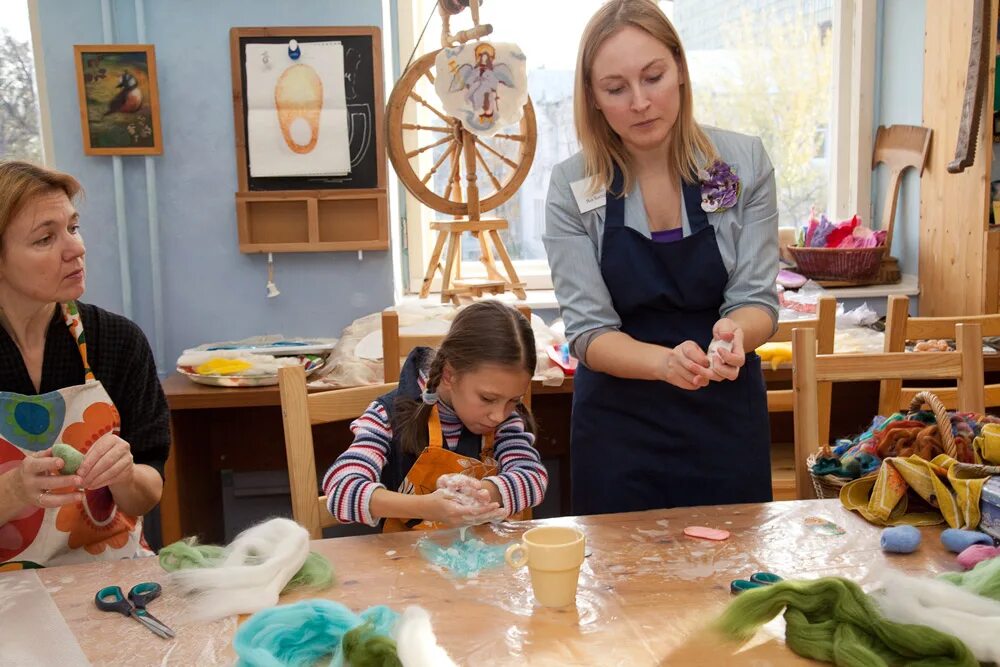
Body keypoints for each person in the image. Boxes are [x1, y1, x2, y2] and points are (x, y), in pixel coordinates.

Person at [543, 0, 779, 515]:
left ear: (680, 70)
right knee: (623, 587)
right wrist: (665, 363)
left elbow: (756, 299)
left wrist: (735, 336)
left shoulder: (743, 163)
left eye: (653, 77)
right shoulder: (571, 186)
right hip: (618, 431)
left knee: (732, 583)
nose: (640, 102)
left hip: (724, 416)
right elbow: (587, 332)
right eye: (616, 88)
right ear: (593, 98)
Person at [0, 161, 170, 568]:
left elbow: (149, 490)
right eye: (45, 238)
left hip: (110, 577)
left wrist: (124, 476)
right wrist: (15, 490)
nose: (76, 249)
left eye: (73, 228)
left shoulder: (117, 341)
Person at [323, 301, 548, 531]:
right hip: (403, 560)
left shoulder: (506, 423)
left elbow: (533, 478)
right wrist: (424, 507)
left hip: (483, 559)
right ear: (450, 375)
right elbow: (340, 490)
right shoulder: (387, 416)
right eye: (487, 399)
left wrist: (484, 493)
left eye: (514, 400)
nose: (499, 415)